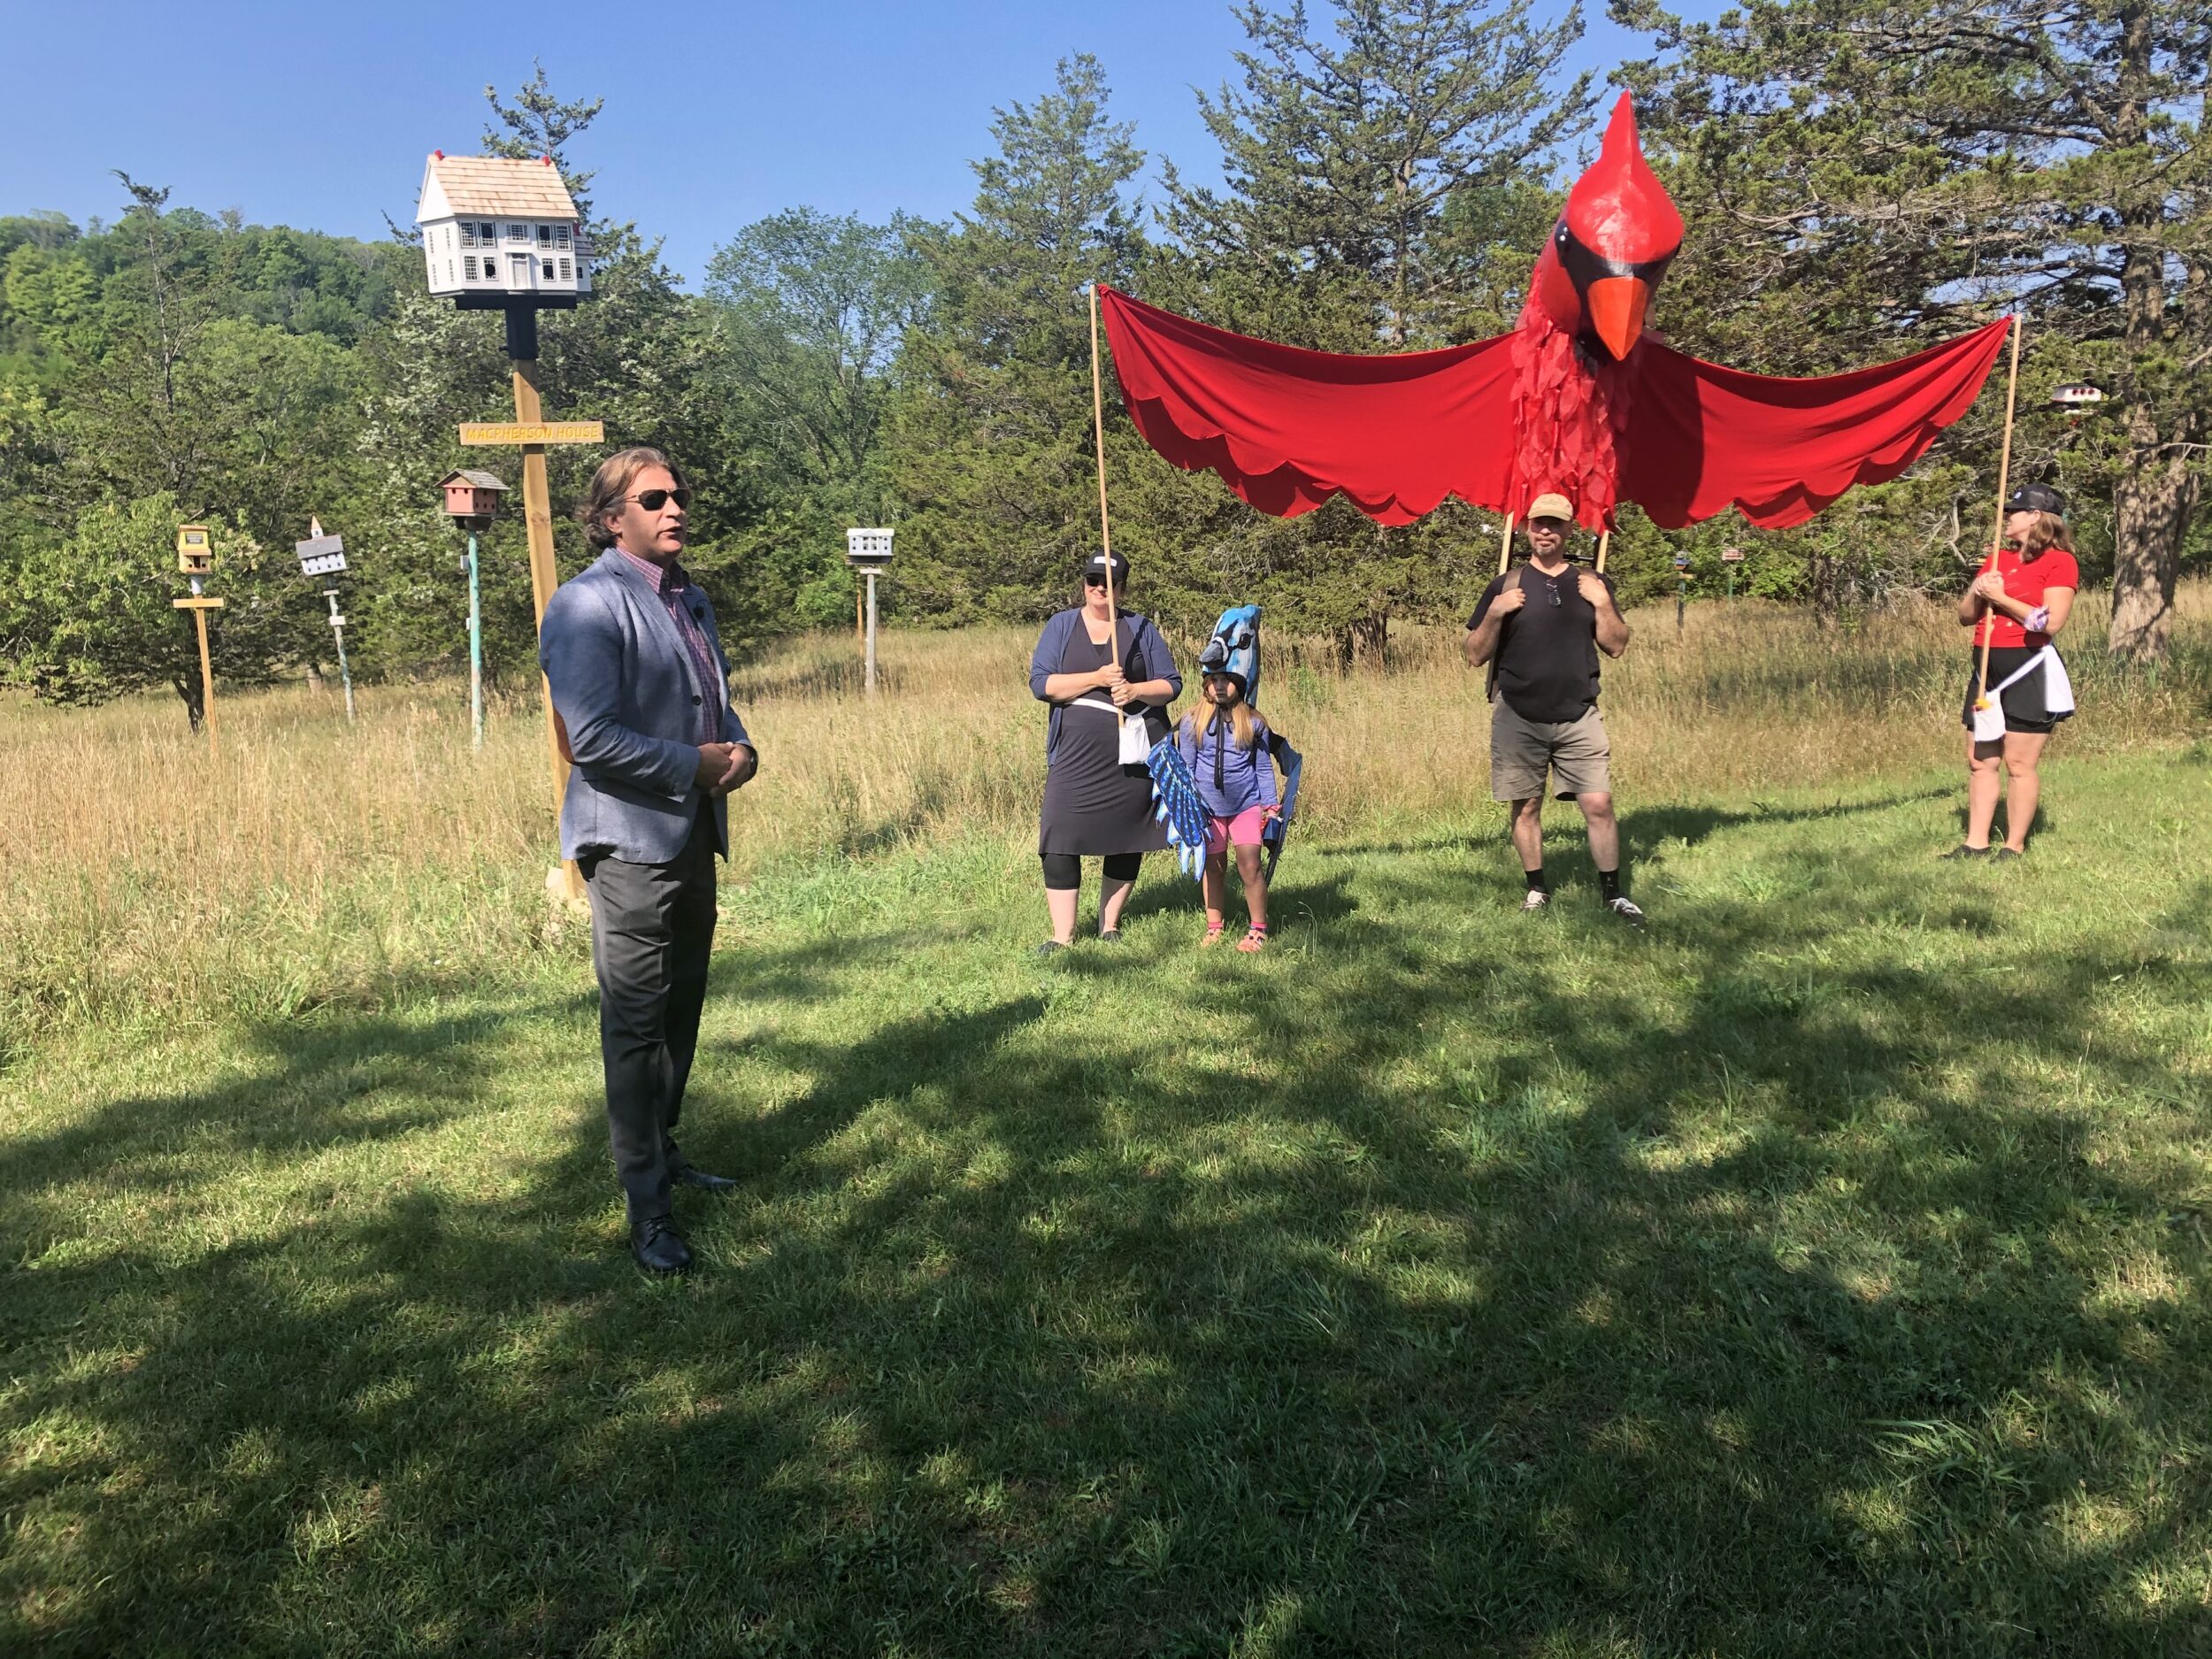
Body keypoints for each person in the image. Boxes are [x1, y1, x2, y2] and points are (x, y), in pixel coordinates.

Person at [541, 447, 757, 1275]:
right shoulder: (586, 604)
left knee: (681, 1009)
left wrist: (739, 751)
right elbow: (589, 739)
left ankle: (664, 1151)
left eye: (680, 494)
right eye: (654, 498)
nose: (675, 509)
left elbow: (714, 707)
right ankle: (648, 1210)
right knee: (635, 1026)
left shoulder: (690, 600)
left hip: (691, 832)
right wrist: (691, 765)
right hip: (627, 843)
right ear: (610, 519)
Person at [1463, 493, 1641, 925]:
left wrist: (1601, 602)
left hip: (1580, 712)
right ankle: (1537, 888)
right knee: (1525, 806)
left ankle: (1614, 894)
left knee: (1598, 803)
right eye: (1539, 523)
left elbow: (1616, 646)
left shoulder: (1592, 582)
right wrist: (1495, 614)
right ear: (1527, 528)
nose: (1546, 530)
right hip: (1518, 714)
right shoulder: (1505, 585)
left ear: (1568, 530)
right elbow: (1473, 654)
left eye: (1555, 524)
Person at [1027, 551, 1183, 953]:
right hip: (1074, 756)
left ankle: (1109, 925)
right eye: (1093, 580)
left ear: (1122, 588)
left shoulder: (1140, 628)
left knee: (1126, 835)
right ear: (1084, 583)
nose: (1100, 589)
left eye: (1110, 583)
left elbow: (1171, 684)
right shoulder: (1060, 626)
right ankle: (1062, 935)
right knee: (1059, 833)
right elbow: (1042, 685)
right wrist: (1096, 678)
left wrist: (1134, 690)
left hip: (1130, 753)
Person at [1947, 482, 2079, 861]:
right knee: (1979, 760)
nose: (2007, 517)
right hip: (1986, 669)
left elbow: (2050, 623)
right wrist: (1980, 589)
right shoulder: (1997, 558)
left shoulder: (2060, 561)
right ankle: (1975, 843)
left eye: (2014, 511)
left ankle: (2014, 846)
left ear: (2036, 517)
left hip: (2028, 667)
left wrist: (2002, 598)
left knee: (2018, 763)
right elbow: (1964, 616)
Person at [1177, 664, 1283, 951]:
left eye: (1226, 680)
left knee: (1251, 865)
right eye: (1214, 680)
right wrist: (1187, 806)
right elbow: (1186, 767)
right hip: (1207, 809)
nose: (1220, 686)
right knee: (1214, 867)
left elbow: (1262, 767)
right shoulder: (1191, 721)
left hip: (1246, 805)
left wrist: (1271, 806)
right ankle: (1214, 928)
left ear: (1239, 682)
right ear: (1205, 684)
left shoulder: (1253, 721)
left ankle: (1258, 930)